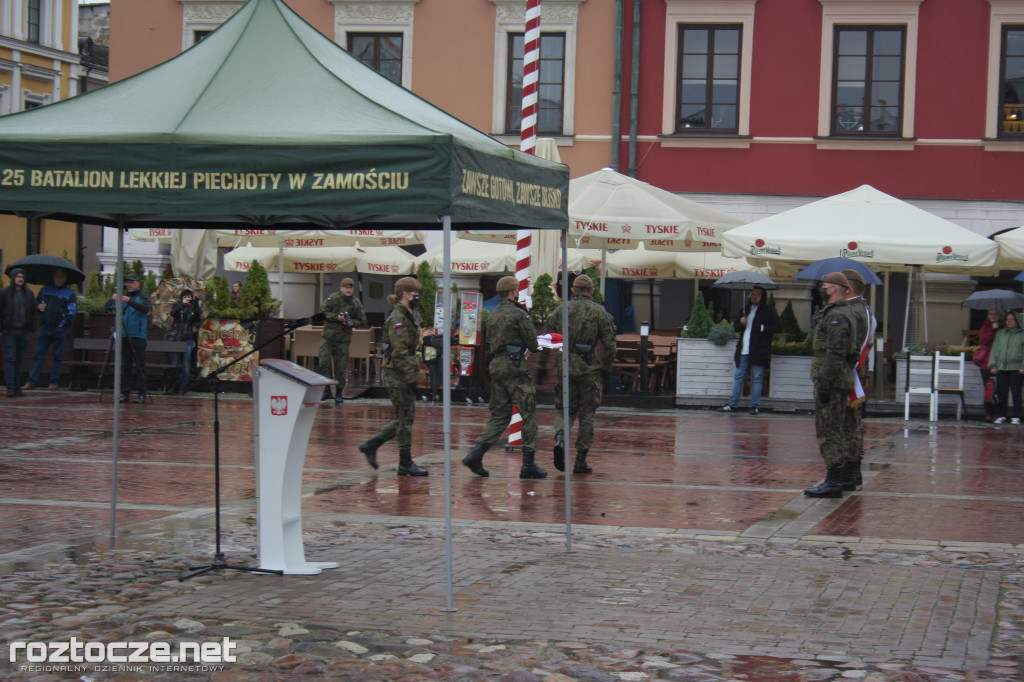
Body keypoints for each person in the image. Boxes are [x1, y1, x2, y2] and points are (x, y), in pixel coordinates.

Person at [462, 276, 547, 479]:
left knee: (499, 416)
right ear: (513, 291)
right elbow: (532, 344)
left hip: (497, 367)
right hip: (516, 368)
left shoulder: (493, 314)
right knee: (529, 415)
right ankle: (528, 464)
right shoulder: (519, 315)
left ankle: (476, 453)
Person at [537, 274, 617, 474]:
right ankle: (580, 460)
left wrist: (541, 366)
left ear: (572, 290)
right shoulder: (600, 312)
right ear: (591, 291)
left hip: (564, 366)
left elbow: (545, 339)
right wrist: (607, 368)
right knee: (587, 414)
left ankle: (561, 439)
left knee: (565, 410)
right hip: (589, 369)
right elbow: (610, 344)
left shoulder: (561, 310)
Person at [358, 277, 428, 476]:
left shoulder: (407, 314)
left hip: (402, 372)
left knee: (405, 417)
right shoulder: (398, 318)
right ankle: (405, 462)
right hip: (397, 374)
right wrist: (411, 377)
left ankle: (372, 444)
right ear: (405, 294)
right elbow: (399, 352)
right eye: (415, 293)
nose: (417, 297)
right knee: (405, 419)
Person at [804, 272, 858, 498]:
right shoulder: (840, 313)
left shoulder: (837, 316)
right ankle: (838, 477)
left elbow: (835, 352)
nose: (822, 288)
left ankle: (833, 480)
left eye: (825, 285)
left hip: (832, 381)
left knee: (829, 430)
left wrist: (824, 382)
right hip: (836, 379)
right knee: (834, 428)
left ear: (834, 288)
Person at [718, 285, 782, 415]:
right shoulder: (745, 310)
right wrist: (741, 322)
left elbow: (778, 327)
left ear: (762, 296)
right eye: (753, 294)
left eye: (758, 294)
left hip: (759, 349)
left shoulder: (768, 311)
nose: (755, 297)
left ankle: (754, 405)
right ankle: (732, 404)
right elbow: (736, 327)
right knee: (739, 376)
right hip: (744, 349)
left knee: (757, 377)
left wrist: (763, 328)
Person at [839, 269, 875, 490]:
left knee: (846, 426)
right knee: (854, 426)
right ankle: (853, 473)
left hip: (851, 374)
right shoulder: (867, 312)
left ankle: (847, 473)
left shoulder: (852, 312)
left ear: (848, 289)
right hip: (859, 373)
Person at [317, 277, 367, 403]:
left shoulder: (356, 303)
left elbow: (361, 321)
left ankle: (339, 392)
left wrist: (349, 322)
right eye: (346, 287)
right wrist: (336, 317)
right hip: (328, 338)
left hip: (343, 340)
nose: (348, 290)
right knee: (324, 363)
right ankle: (326, 390)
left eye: (350, 288)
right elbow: (322, 312)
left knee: (341, 367)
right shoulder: (333, 298)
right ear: (341, 288)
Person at [106, 274, 152, 404]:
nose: (129, 285)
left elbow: (145, 309)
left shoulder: (143, 297)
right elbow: (108, 307)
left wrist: (128, 300)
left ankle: (141, 394)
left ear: (138, 284)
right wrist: (113, 299)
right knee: (126, 366)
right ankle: (125, 393)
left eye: (132, 282)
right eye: (127, 282)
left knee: (140, 365)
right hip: (123, 335)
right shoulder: (122, 297)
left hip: (138, 336)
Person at [0, 268, 36, 396]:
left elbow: (33, 311)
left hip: (24, 331)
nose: (20, 279)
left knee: (19, 360)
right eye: (17, 276)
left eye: (22, 276)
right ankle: (10, 386)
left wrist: (32, 327)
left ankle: (16, 386)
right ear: (13, 278)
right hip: (9, 331)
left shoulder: (29, 294)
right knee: (10, 358)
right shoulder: (4, 293)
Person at [988, 310, 1023, 425]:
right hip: (1001, 367)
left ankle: (1016, 416)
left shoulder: (1022, 334)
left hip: (1016, 367)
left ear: (1017, 321)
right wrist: (993, 365)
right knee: (1002, 393)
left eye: (1012, 319)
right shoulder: (1000, 333)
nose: (1010, 322)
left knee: (1016, 392)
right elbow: (995, 349)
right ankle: (1002, 415)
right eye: (1008, 320)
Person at [167, 289, 203, 393]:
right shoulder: (178, 306)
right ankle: (175, 385)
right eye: (185, 297)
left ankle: (184, 386)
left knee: (186, 363)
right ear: (181, 298)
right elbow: (172, 313)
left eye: (189, 297)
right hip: (176, 337)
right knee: (175, 363)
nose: (187, 299)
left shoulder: (193, 308)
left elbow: (197, 319)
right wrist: (182, 305)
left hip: (188, 338)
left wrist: (196, 306)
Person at [975, 308, 1001, 422]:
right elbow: (984, 340)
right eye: (991, 314)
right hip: (986, 363)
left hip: (999, 363)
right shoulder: (985, 327)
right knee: (988, 389)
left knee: (999, 389)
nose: (993, 316)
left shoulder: (1003, 328)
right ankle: (988, 413)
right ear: (988, 315)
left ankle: (997, 413)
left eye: (995, 314)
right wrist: (992, 329)